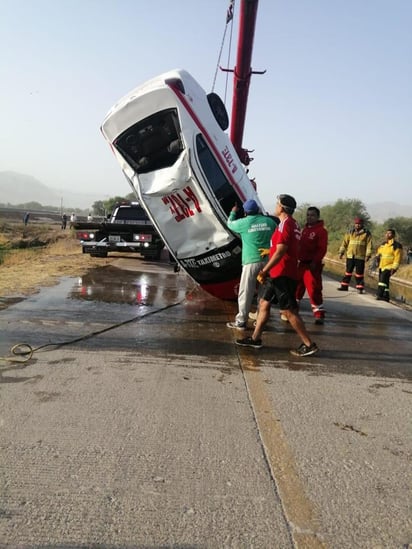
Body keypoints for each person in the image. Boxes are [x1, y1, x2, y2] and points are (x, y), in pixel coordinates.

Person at [236, 194, 319, 357]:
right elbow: (286, 247)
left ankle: (309, 344)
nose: (275, 206)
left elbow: (281, 251)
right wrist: (270, 251)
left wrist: (264, 270)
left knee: (288, 311)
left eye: (277, 204)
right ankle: (256, 338)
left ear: (281, 208)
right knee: (264, 303)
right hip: (279, 273)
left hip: (282, 274)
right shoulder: (294, 224)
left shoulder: (284, 225)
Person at [226, 199, 277, 329]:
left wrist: (233, 212)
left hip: (251, 262)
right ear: (258, 210)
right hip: (267, 262)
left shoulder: (244, 223)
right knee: (263, 293)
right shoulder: (270, 222)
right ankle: (259, 321)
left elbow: (229, 224)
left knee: (246, 291)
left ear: (246, 212)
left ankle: (241, 321)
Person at [296, 206, 328, 324]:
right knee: (297, 288)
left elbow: (322, 249)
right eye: (308, 215)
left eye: (312, 215)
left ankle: (319, 314)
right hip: (301, 264)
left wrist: (315, 261)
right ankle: (293, 311)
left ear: (318, 217)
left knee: (314, 289)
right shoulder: (304, 230)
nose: (309, 217)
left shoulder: (321, 231)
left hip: (312, 265)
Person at [337, 217, 372, 294]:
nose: (358, 225)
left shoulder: (367, 233)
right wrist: (341, 252)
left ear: (362, 224)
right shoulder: (350, 232)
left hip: (360, 257)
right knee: (348, 272)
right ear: (354, 224)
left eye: (359, 224)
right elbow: (344, 243)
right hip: (350, 256)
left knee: (359, 273)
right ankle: (344, 286)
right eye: (356, 224)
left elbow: (369, 245)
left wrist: (368, 255)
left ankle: (360, 288)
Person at [375, 229, 403, 302]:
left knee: (382, 280)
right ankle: (386, 296)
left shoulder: (397, 245)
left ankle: (379, 295)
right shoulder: (383, 244)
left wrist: (394, 268)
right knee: (385, 281)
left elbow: (398, 258)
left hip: (390, 267)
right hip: (382, 266)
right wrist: (377, 257)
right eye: (386, 233)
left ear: (393, 235)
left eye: (389, 233)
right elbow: (379, 253)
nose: (387, 235)